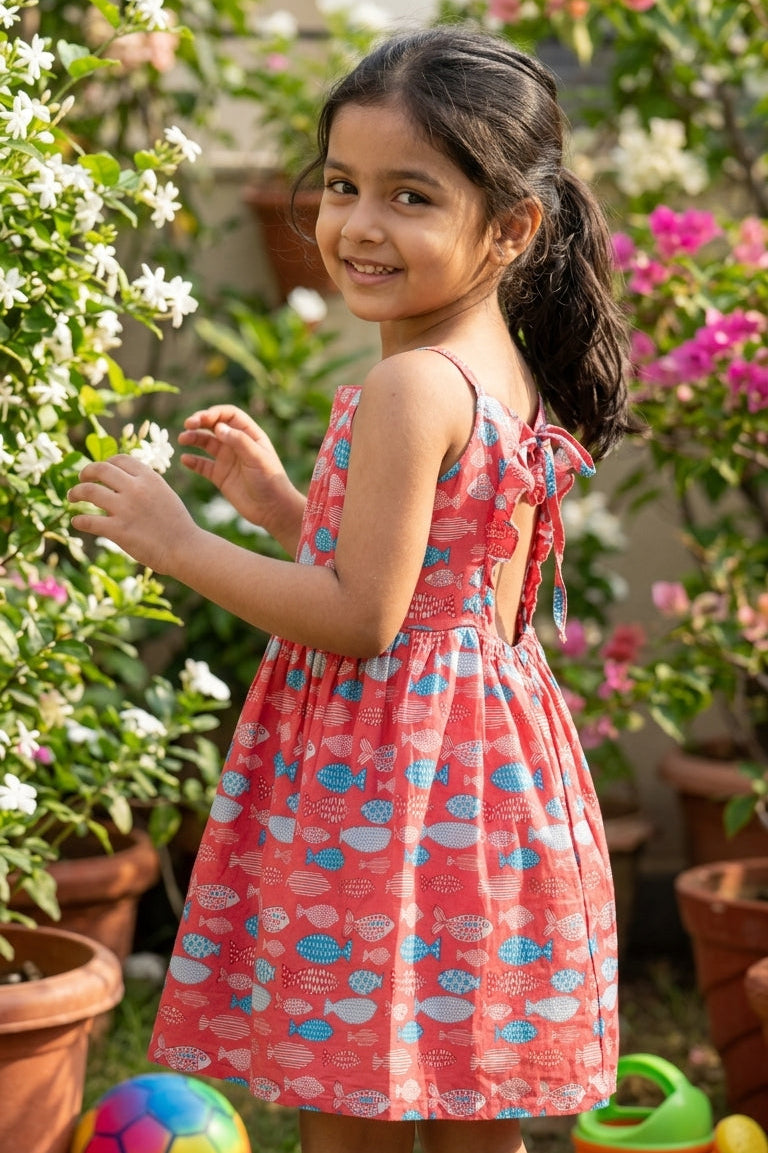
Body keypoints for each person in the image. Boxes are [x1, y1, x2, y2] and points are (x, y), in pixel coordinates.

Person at [70, 24, 639, 1153]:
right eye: (341, 185)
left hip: (387, 789)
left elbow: (365, 618)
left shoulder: (410, 383)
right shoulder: (501, 371)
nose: (358, 225)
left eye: (411, 196)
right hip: (488, 783)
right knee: (468, 1084)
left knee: (355, 1094)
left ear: (512, 226)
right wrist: (289, 508)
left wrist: (178, 542)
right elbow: (457, 583)